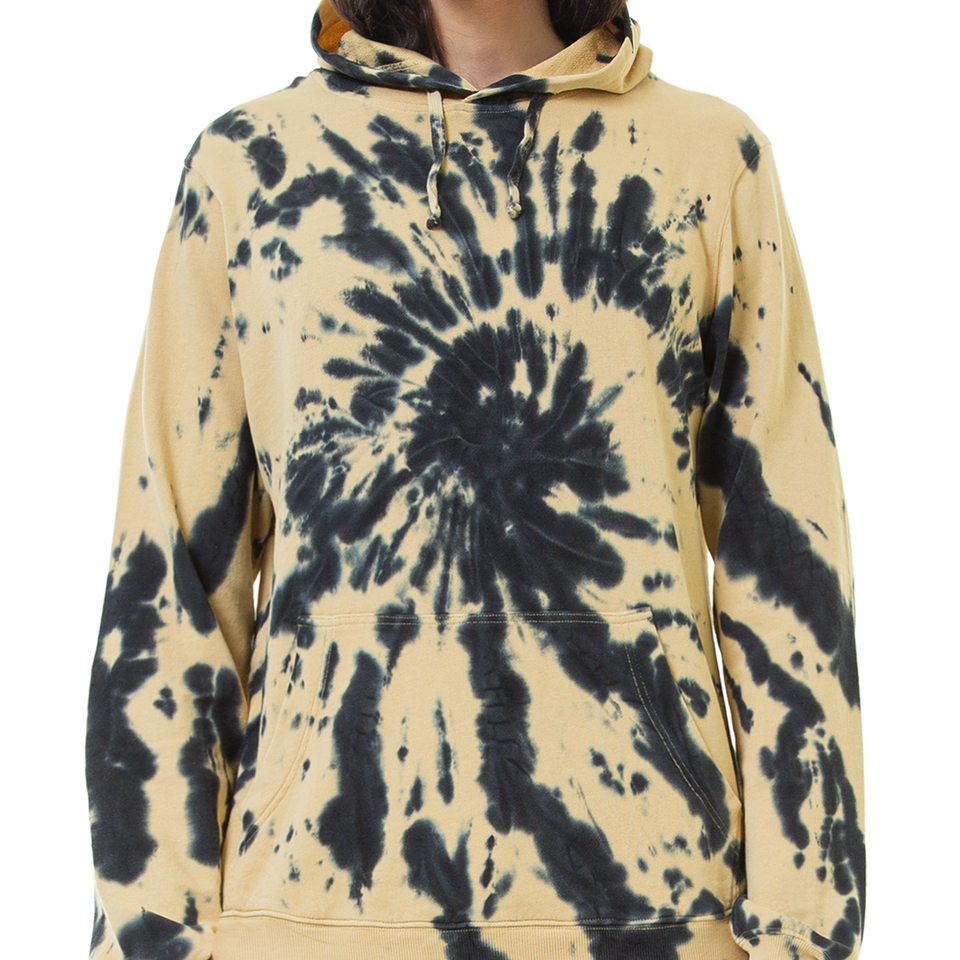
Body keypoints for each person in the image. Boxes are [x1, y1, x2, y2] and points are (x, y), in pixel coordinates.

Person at [84, 0, 866, 958]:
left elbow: (788, 575)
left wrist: (802, 936)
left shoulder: (708, 160)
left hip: (651, 916)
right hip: (310, 922)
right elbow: (166, 584)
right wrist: (150, 939)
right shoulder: (250, 167)